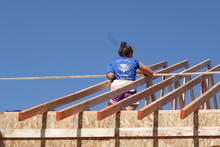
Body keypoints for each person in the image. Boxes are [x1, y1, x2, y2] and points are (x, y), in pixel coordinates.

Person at [106, 41, 153, 110]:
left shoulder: (113, 61)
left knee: (113, 111)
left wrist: (109, 74)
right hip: (129, 88)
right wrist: (142, 72)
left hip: (116, 89)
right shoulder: (134, 61)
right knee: (128, 113)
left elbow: (110, 76)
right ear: (130, 53)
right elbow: (150, 72)